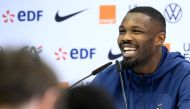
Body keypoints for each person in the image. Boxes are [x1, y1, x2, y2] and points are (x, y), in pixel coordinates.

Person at [91, 6, 190, 109]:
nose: (125, 38)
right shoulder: (105, 79)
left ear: (159, 39)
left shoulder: (184, 75)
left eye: (136, 31)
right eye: (122, 31)